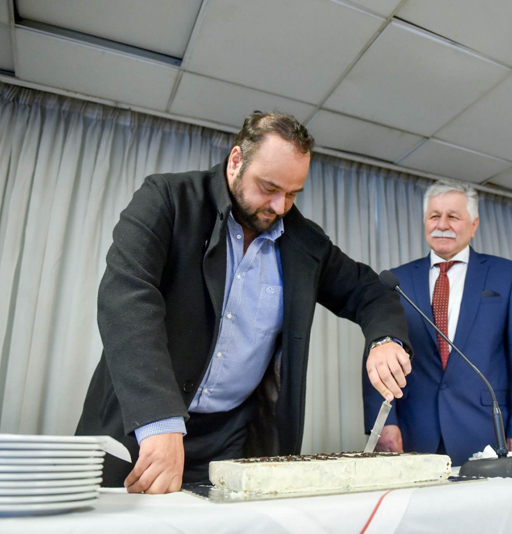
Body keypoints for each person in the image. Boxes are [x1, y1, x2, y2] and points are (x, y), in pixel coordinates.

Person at [77, 111, 412, 493]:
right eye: (269, 188)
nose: (280, 206)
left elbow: (369, 290)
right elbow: (126, 296)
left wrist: (386, 339)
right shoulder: (169, 199)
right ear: (236, 160)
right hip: (142, 424)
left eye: (292, 194)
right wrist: (159, 419)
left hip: (229, 442)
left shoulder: (306, 244)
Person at [362, 181, 512, 466]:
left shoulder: (507, 275)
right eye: (434, 216)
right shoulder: (396, 280)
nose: (442, 224)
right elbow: (378, 353)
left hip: (487, 432)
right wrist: (383, 424)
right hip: (412, 435)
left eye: (453, 216)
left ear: (474, 225)